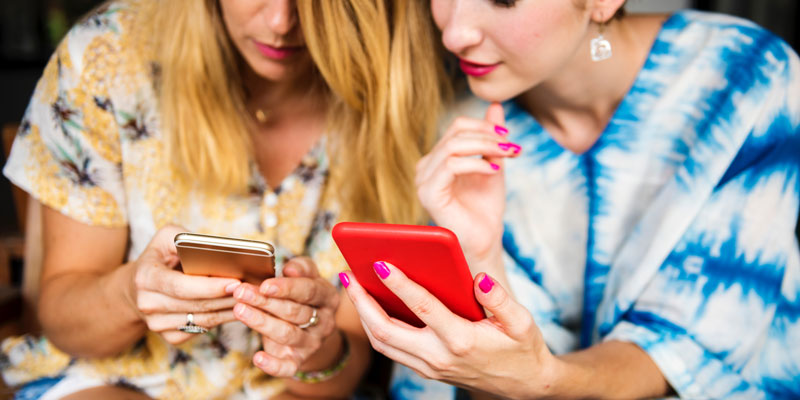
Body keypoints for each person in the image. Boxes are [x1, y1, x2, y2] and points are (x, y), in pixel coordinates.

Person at [338, 0, 800, 398]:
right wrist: (483, 260)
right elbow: (479, 377)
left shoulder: (744, 76)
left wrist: (544, 379)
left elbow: (687, 353)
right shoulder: (449, 127)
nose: (455, 32)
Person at [1, 0, 446, 398]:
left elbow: (341, 377)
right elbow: (62, 323)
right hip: (110, 379)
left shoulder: (390, 100)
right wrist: (131, 295)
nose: (280, 21)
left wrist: (312, 343)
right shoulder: (109, 56)